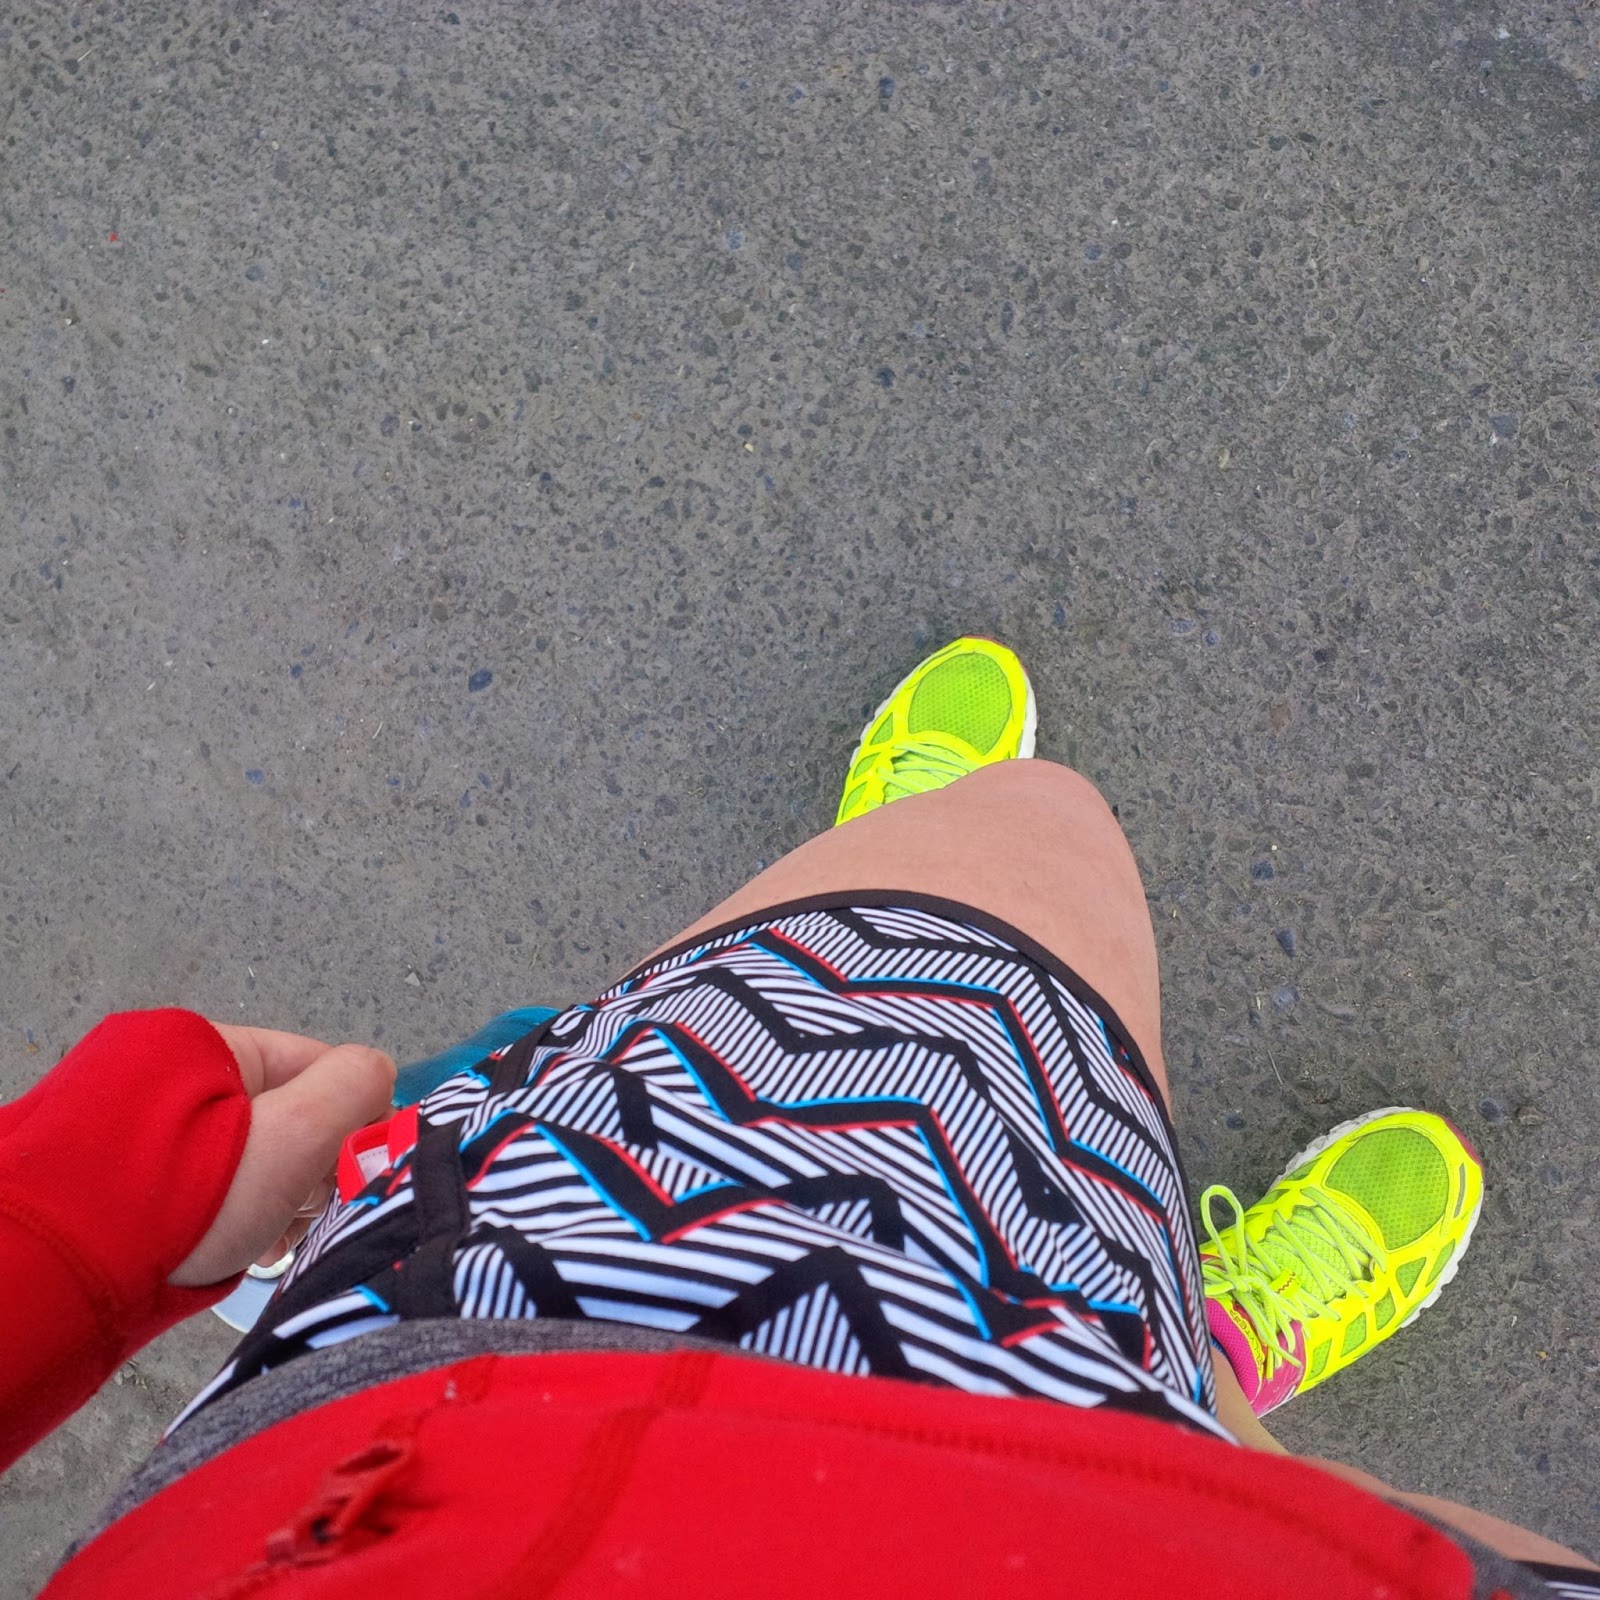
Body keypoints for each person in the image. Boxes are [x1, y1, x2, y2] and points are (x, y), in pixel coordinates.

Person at [2, 638, 1593, 1598]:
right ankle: (1199, 1352)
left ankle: (900, 886)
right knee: (1036, 839)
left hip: (429, 1426)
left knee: (563, 1068)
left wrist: (82, 1229)